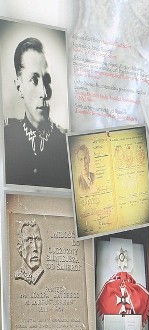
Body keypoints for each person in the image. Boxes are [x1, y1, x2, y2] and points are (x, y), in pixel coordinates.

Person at [3, 36, 70, 188]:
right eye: (34, 80)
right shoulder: (5, 139)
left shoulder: (67, 144)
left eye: (47, 80)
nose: (44, 92)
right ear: (19, 87)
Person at [14, 220, 44, 286]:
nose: (35, 248)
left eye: (37, 239)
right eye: (29, 240)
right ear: (20, 247)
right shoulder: (17, 274)